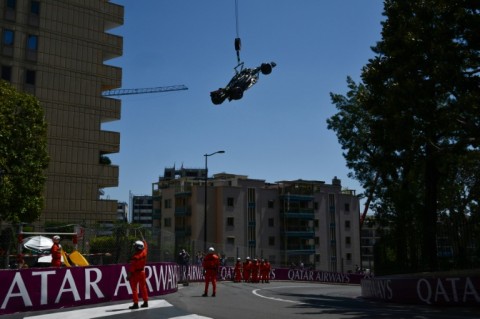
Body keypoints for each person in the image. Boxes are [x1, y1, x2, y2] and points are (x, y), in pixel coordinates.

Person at [127, 239, 148, 309]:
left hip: (135, 274)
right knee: (143, 287)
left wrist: (129, 275)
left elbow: (132, 268)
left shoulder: (135, 257)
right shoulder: (144, 252)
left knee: (134, 289)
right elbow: (146, 246)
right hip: (142, 272)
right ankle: (145, 302)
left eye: (135, 246)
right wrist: (144, 241)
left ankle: (136, 303)